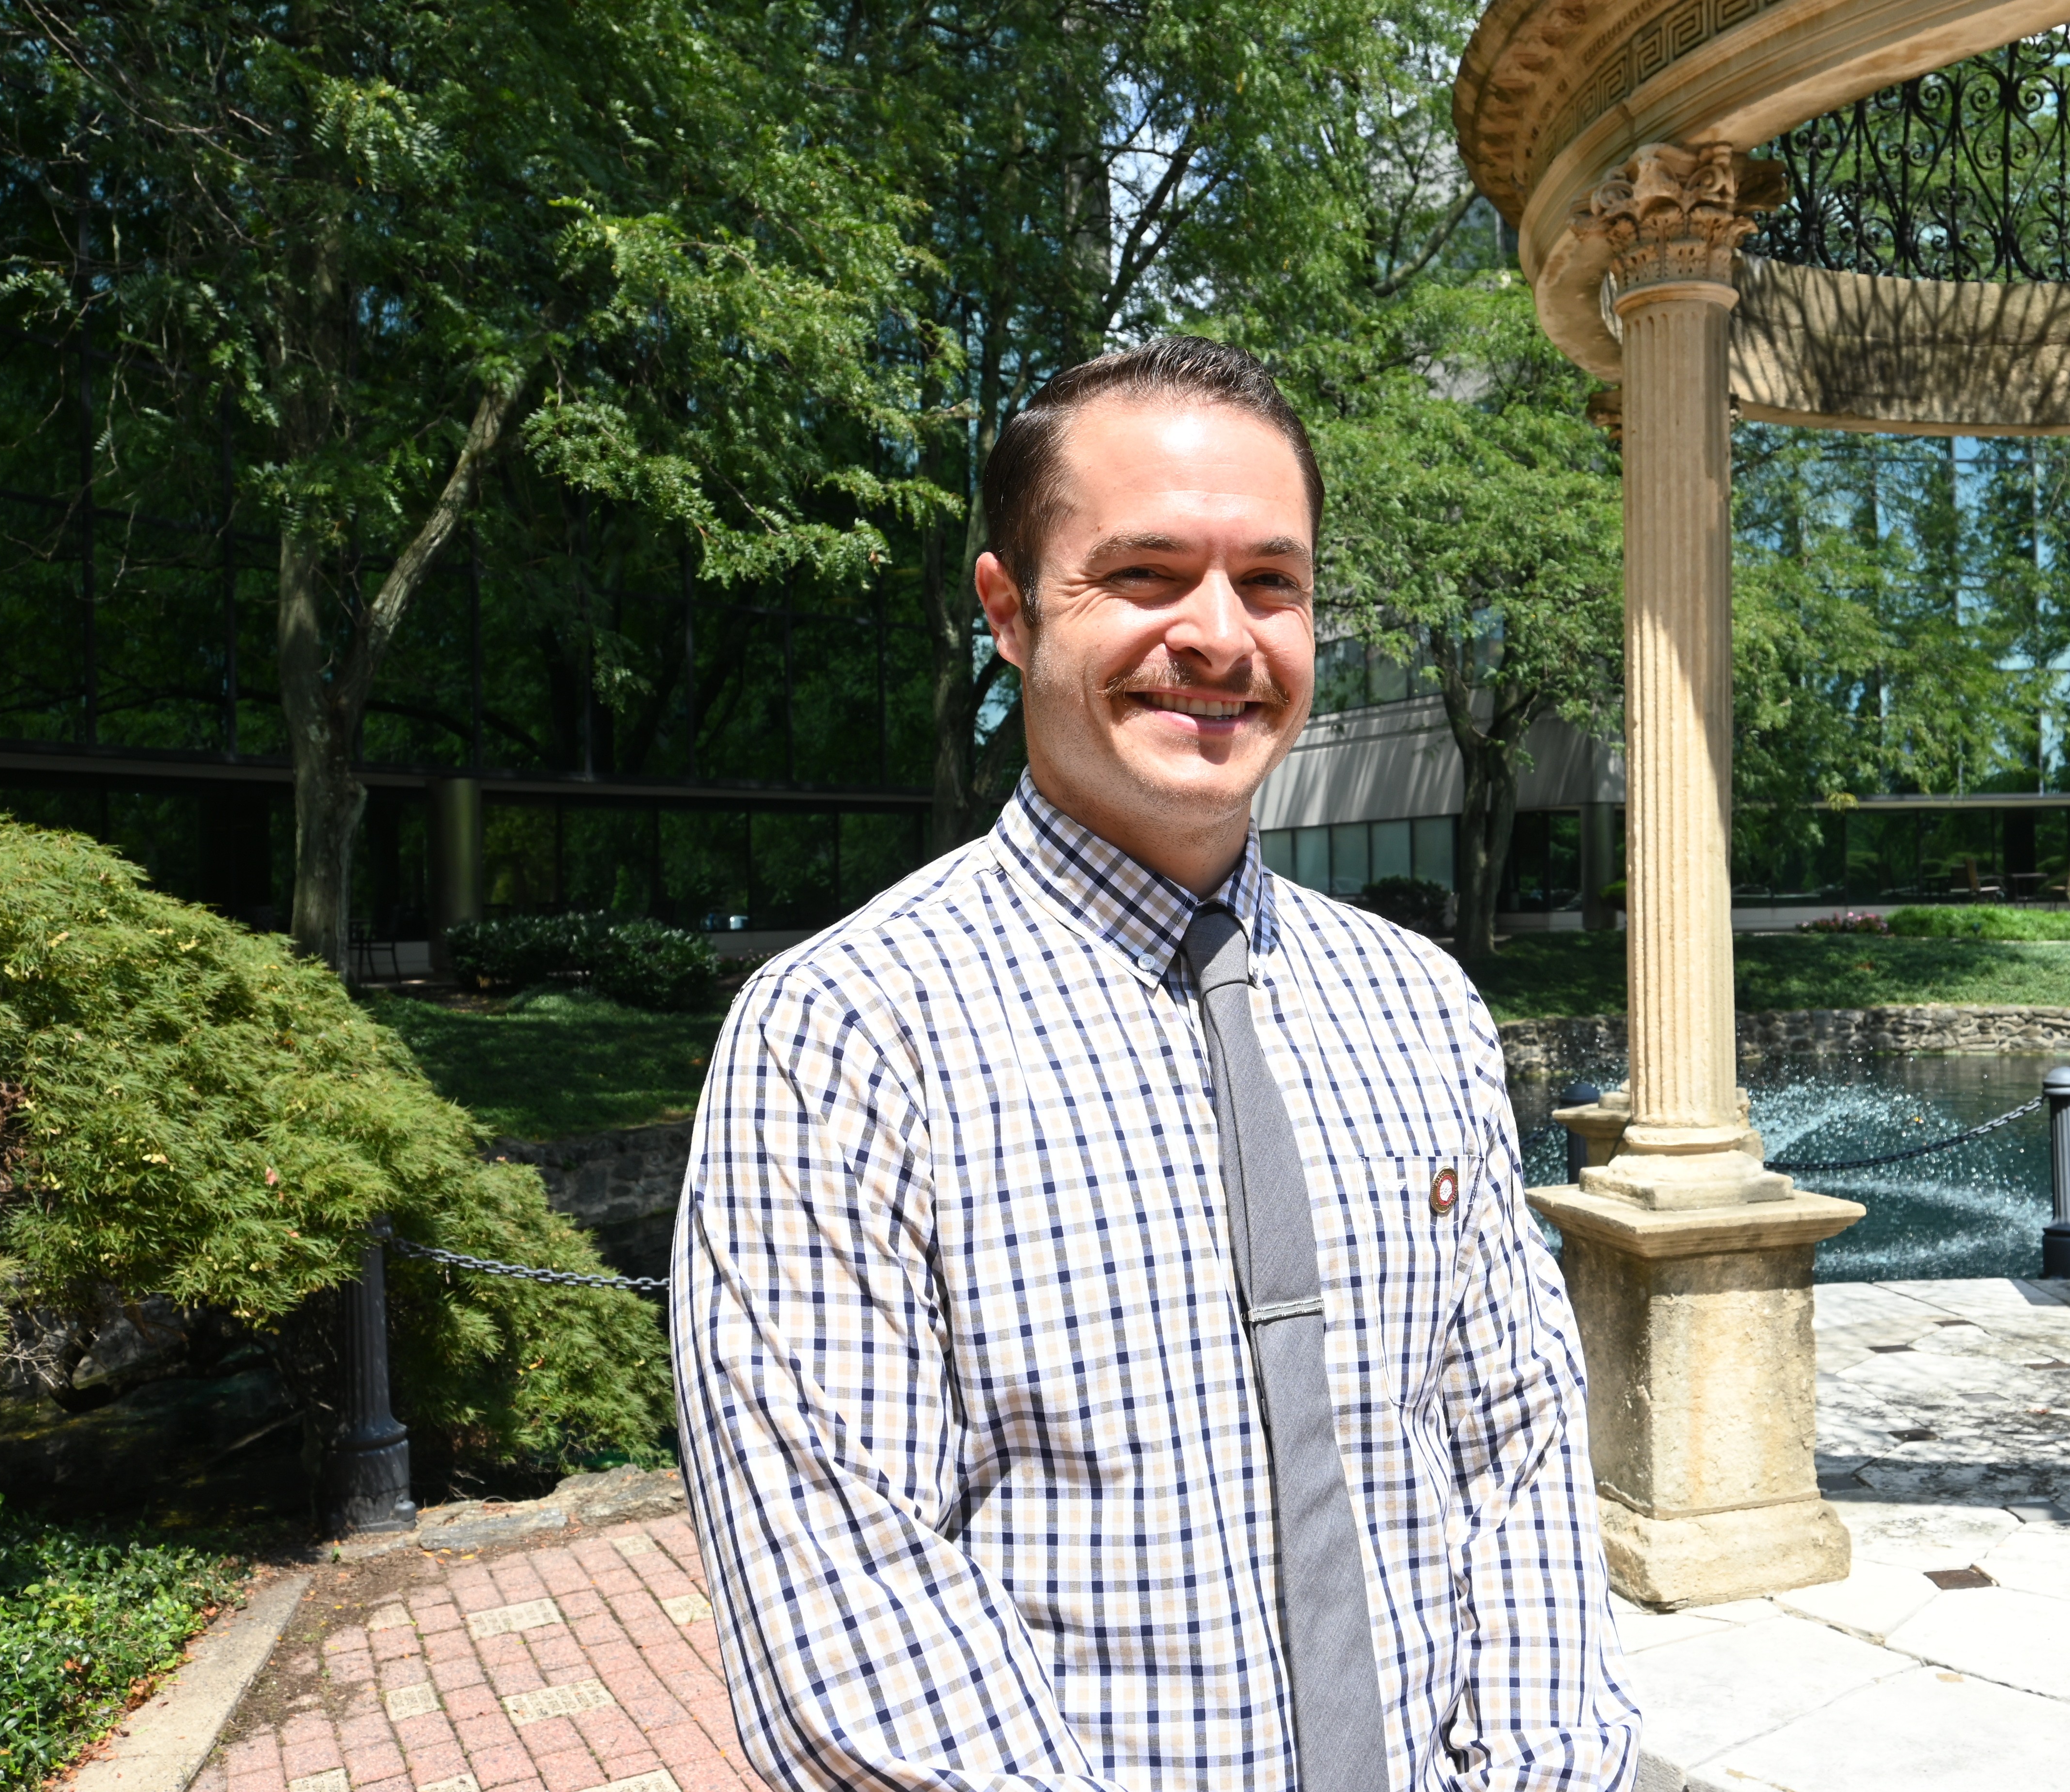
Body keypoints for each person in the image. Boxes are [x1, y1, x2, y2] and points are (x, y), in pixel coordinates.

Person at [671, 336, 1640, 1792]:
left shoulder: (1423, 1006)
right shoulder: (846, 1036)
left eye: (1270, 582)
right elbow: (852, 1611)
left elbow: (1516, 1447)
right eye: (1142, 576)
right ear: (1006, 610)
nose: (1220, 636)